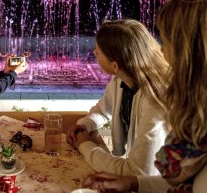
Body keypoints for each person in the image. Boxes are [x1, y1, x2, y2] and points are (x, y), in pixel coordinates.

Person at [83, 0, 207, 192]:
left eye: (167, 43)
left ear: (196, 61)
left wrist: (86, 146)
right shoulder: (205, 134)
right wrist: (134, 183)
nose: (161, 53)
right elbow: (188, 185)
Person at [66, 19, 169, 176]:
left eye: (98, 52)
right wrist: (85, 125)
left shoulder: (153, 101)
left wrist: (85, 145)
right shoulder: (122, 80)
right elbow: (102, 110)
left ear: (115, 65)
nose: (94, 53)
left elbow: (137, 172)